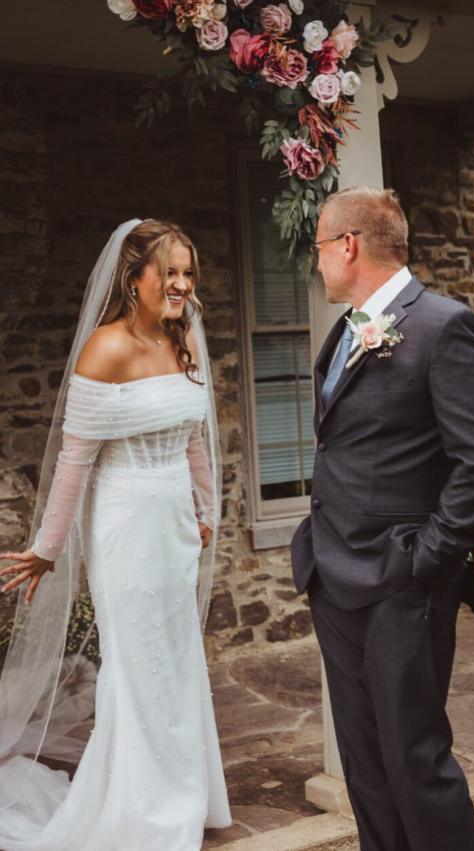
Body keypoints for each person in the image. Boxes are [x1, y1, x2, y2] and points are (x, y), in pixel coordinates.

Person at [291, 186, 474, 851]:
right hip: (333, 573)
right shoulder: (346, 327)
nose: (318, 262)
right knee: (365, 763)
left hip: (401, 582)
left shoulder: (444, 326)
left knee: (414, 758)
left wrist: (426, 562)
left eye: (320, 247)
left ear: (348, 245)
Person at [0, 219, 231, 850]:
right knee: (136, 663)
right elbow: (74, 462)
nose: (182, 284)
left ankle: (188, 795)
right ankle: (142, 811)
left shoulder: (182, 342)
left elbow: (193, 439)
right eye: (170, 272)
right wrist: (47, 549)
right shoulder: (105, 349)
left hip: (176, 529)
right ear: (135, 280)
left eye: (189, 272)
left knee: (178, 659)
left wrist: (207, 512)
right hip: (124, 526)